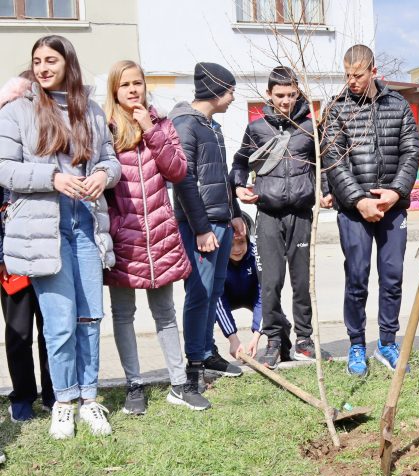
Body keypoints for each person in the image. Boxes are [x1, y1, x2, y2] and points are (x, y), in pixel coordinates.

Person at [0, 35, 121, 439]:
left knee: (90, 317)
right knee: (59, 323)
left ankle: (90, 399)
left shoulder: (91, 110)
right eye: (37, 61)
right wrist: (53, 178)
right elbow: (5, 169)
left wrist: (103, 175)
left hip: (86, 226)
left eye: (51, 60)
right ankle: (63, 403)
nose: (43, 68)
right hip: (41, 231)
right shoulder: (17, 111)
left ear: (68, 63)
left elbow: (110, 160)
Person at [103, 60, 194, 415]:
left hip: (159, 236)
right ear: (115, 90)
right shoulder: (105, 129)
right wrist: (114, 226)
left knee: (165, 313)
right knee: (123, 314)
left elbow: (177, 170)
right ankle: (134, 386)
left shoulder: (162, 124)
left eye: (137, 83)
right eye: (124, 84)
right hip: (123, 238)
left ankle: (179, 383)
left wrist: (150, 129)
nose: (132, 90)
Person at [323, 44, 419, 377]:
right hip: (354, 210)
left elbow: (411, 151)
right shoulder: (337, 109)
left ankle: (388, 342)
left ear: (374, 72)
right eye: (347, 75)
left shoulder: (398, 105)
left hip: (392, 208)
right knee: (357, 279)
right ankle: (356, 345)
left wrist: (394, 193)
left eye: (358, 75)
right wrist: (360, 201)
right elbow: (334, 161)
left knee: (392, 278)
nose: (352, 81)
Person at [230, 66, 328, 369]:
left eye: (291, 94)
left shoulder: (310, 128)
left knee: (301, 281)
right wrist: (237, 187)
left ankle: (304, 339)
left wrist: (325, 192)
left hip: (301, 214)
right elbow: (239, 163)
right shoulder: (257, 129)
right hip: (268, 214)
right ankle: (273, 339)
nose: (286, 100)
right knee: (271, 281)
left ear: (298, 93)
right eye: (280, 95)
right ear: (269, 95)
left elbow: (325, 164)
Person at [169, 62, 245, 409]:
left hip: (221, 222)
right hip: (200, 225)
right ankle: (194, 367)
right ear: (215, 90)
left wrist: (236, 216)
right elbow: (183, 179)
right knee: (198, 294)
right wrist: (200, 228)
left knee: (214, 293)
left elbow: (221, 179)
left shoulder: (211, 126)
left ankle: (208, 352)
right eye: (229, 90)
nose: (232, 97)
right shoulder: (185, 124)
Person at [0, 73, 54, 423]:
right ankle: (22, 396)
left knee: (52, 326)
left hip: (49, 244)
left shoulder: (49, 135)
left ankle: (54, 394)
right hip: (10, 253)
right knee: (18, 330)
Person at [216, 213, 263, 359]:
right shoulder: (216, 258)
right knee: (203, 312)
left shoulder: (257, 254)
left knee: (277, 315)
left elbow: (264, 294)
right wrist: (233, 338)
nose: (237, 249)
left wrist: (257, 335)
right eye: (230, 244)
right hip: (227, 297)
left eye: (241, 242)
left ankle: (278, 346)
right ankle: (208, 353)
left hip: (252, 295)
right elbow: (218, 300)